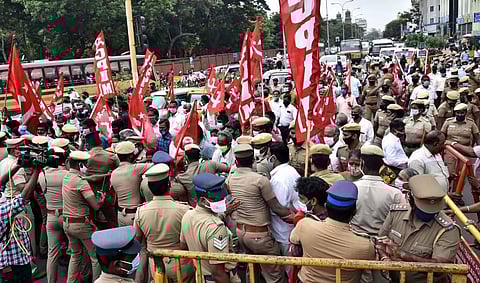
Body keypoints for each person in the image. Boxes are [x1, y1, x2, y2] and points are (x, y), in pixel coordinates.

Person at [227, 144, 293, 283]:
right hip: (260, 236)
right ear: (253, 160)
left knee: (252, 272)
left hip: (241, 233)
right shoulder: (260, 180)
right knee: (274, 275)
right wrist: (294, 217)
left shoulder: (230, 179)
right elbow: (276, 208)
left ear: (236, 161)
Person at [377, 175, 460, 282]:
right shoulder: (396, 213)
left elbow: (441, 267)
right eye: (423, 209)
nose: (429, 213)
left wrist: (403, 254)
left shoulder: (448, 230)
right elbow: (380, 241)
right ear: (411, 200)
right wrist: (384, 258)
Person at [290, 180, 375, 283]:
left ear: (326, 205)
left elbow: (295, 251)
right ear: (354, 211)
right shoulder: (365, 245)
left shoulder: (304, 225)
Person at [134, 164, 194, 282]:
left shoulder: (141, 211)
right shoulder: (184, 210)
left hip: (156, 264)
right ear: (169, 185)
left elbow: (137, 239)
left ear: (150, 188)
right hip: (181, 264)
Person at [180, 173, 236, 283]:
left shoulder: (187, 216)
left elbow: (183, 245)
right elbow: (218, 272)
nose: (221, 201)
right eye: (216, 199)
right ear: (203, 200)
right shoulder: (217, 228)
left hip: (200, 276)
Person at [62, 151, 105, 282]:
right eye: (85, 164)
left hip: (67, 224)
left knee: (75, 256)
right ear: (80, 164)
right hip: (82, 225)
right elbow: (96, 206)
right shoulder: (81, 182)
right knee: (95, 257)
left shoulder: (66, 177)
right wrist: (101, 200)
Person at [0, 154, 42, 283]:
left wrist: (18, 165)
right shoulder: (2, 211)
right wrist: (37, 171)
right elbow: (23, 196)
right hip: (14, 265)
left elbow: (0, 183)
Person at [350, 145, 405, 236]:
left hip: (353, 238)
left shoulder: (352, 187)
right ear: (381, 165)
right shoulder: (395, 193)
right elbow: (400, 222)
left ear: (362, 164)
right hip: (381, 242)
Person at [37, 146, 69, 283]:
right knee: (75, 251)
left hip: (51, 216)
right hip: (67, 215)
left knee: (52, 253)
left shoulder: (41, 175)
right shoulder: (66, 174)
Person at [268, 142, 305, 256]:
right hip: (289, 231)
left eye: (267, 156)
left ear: (273, 158)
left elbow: (279, 207)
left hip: (283, 234)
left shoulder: (279, 179)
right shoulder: (291, 171)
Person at [110, 141, 152, 226]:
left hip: (120, 215)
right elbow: (157, 163)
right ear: (130, 156)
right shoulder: (135, 169)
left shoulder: (113, 173)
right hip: (134, 215)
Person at [442, 103, 480, 174]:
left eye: (462, 113)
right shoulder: (448, 122)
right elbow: (442, 135)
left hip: (465, 151)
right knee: (449, 173)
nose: (459, 114)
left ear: (465, 113)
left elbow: (477, 137)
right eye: (457, 113)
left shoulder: (471, 123)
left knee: (461, 174)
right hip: (450, 150)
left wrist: (477, 151)